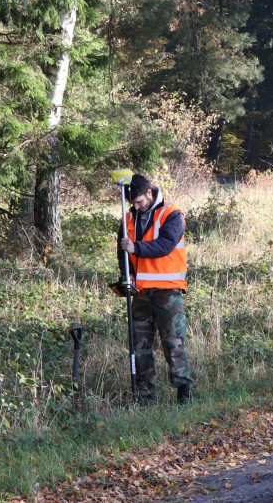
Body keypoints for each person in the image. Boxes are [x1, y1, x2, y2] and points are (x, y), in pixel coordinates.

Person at [116, 173, 193, 405]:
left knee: (173, 343)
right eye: (133, 204)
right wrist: (126, 273)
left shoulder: (172, 214)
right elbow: (123, 253)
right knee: (140, 346)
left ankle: (184, 395)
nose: (137, 207)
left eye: (139, 202)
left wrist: (136, 247)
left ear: (149, 193)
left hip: (167, 291)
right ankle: (145, 396)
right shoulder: (127, 219)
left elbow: (165, 245)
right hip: (140, 292)